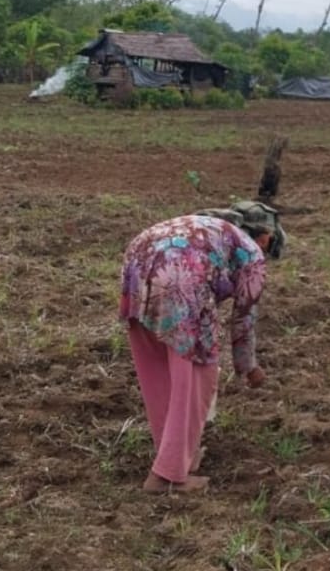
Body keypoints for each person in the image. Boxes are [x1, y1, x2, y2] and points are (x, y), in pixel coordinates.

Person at [118, 208, 279, 492]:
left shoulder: (212, 228)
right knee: (194, 376)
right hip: (181, 277)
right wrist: (249, 367)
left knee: (158, 372)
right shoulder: (252, 252)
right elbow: (244, 316)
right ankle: (167, 477)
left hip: (136, 260)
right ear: (265, 239)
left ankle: (178, 456)